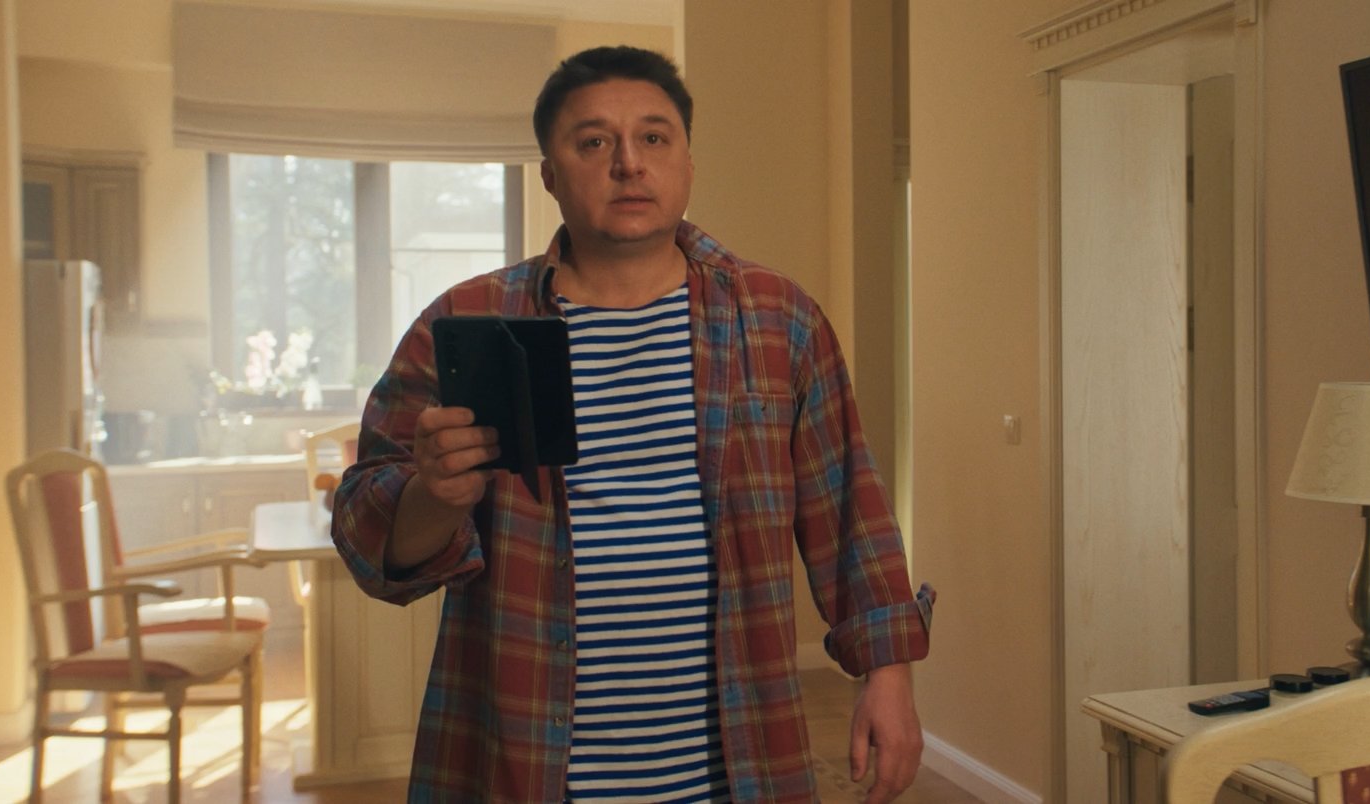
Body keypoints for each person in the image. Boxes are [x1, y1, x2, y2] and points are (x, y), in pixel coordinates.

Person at [331, 45, 932, 803]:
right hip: (522, 761)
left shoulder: (777, 320)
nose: (629, 163)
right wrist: (433, 494)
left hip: (737, 766)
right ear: (549, 175)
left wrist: (888, 674)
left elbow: (849, 510)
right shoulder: (467, 321)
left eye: (654, 137)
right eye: (593, 142)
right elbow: (366, 537)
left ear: (687, 162)